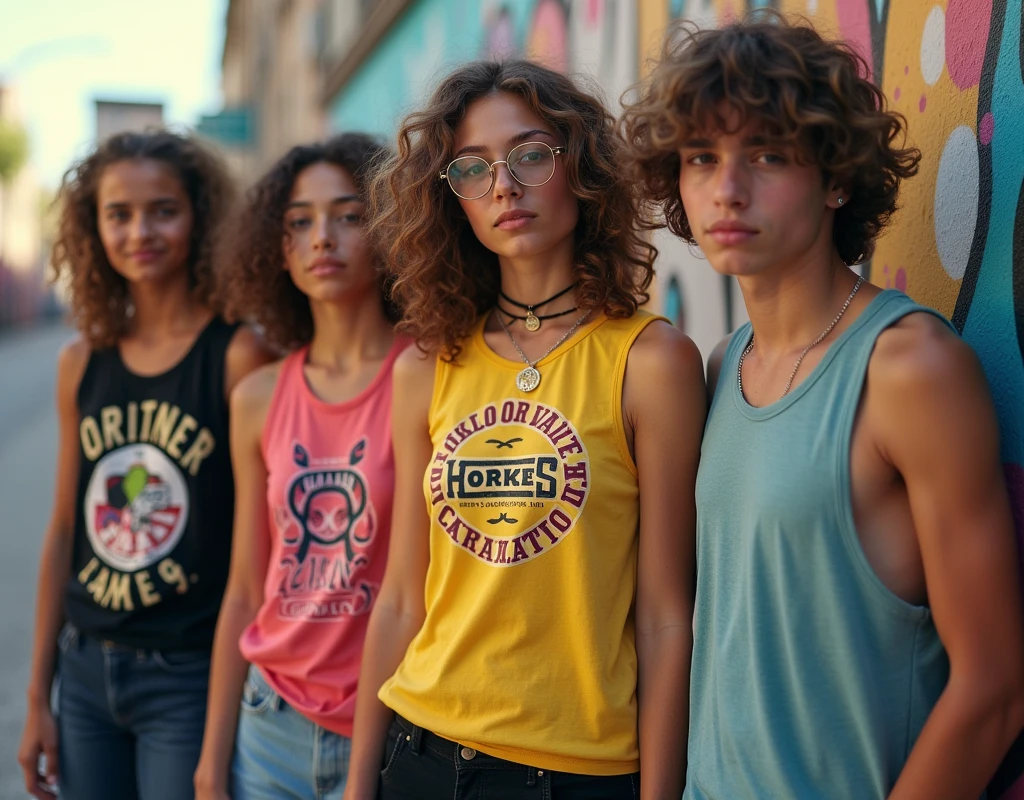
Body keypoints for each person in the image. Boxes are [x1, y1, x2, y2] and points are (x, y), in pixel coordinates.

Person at [622, 14, 1024, 799]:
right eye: (702, 158)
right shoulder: (721, 365)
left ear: (837, 177)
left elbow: (996, 689)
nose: (726, 189)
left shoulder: (909, 369)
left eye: (767, 155)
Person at [341, 59, 707, 800]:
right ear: (453, 202)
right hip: (418, 748)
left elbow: (668, 615)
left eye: (531, 155)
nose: (504, 185)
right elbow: (405, 599)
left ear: (583, 166)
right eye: (472, 169)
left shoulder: (651, 360)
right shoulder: (427, 365)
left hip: (574, 773)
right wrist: (357, 785)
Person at [17, 130, 274, 800]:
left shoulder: (237, 354)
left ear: (200, 217)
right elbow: (64, 532)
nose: (141, 231)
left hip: (187, 674)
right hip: (84, 670)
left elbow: (259, 547)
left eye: (164, 209)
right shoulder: (81, 362)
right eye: (118, 214)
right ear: (91, 227)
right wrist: (38, 693)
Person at [193, 133, 407, 800]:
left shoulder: (431, 377)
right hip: (268, 725)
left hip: (391, 723)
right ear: (278, 249)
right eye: (300, 222)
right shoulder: (256, 397)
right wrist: (210, 761)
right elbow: (245, 588)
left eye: (349, 216)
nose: (323, 238)